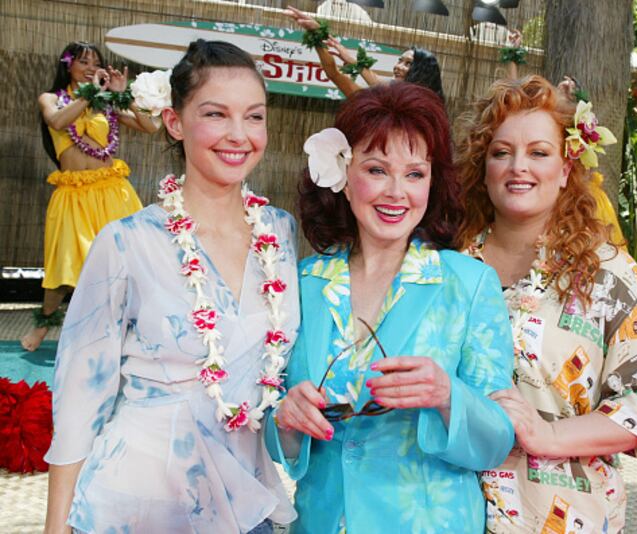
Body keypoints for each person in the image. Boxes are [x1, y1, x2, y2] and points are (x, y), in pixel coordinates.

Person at [43, 40, 297, 534]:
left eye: (254, 116)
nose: (239, 135)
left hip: (246, 505)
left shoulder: (281, 232)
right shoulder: (127, 241)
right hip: (140, 505)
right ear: (175, 122)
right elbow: (78, 399)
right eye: (216, 114)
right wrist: (56, 528)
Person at [266, 81, 514, 533]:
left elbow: (496, 441)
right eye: (377, 170)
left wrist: (448, 396)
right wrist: (285, 420)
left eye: (415, 174)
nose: (397, 192)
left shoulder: (469, 284)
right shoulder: (301, 283)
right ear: (344, 176)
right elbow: (279, 436)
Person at [455, 75, 637, 533]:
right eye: (501, 152)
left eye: (539, 152)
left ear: (565, 169)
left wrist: (548, 435)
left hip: (559, 517)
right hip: (443, 512)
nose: (518, 166)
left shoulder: (609, 277)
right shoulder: (444, 266)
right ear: (483, 168)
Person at [21, 42, 160, 352]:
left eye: (95, 63)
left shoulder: (106, 103)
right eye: (83, 61)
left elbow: (150, 127)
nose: (90, 67)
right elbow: (58, 122)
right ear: (67, 65)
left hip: (111, 191)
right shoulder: (51, 99)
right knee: (64, 264)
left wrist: (124, 96)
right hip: (73, 194)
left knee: (125, 261)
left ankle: (129, 332)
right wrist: (90, 94)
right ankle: (42, 327)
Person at [285, 6, 444, 100]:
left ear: (422, 73)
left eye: (408, 64)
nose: (398, 66)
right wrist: (317, 35)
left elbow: (382, 86)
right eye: (400, 60)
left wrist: (355, 63)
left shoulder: (424, 108)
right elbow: (334, 73)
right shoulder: (374, 101)